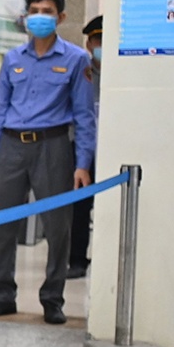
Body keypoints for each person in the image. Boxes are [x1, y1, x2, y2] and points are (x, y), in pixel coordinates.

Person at [0, 0, 98, 324]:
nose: (39, 17)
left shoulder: (75, 60)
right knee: (4, 224)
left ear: (60, 18)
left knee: (58, 227)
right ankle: (1, 294)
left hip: (53, 147)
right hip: (11, 147)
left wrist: (83, 164)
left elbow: (85, 116)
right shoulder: (13, 58)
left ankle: (53, 298)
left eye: (47, 11)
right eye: (34, 10)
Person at [67, 15, 104, 278]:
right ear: (89, 43)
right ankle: (77, 259)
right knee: (79, 207)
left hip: (115, 148)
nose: (102, 45)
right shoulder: (80, 70)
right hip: (83, 147)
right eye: (98, 39)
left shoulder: (126, 73)